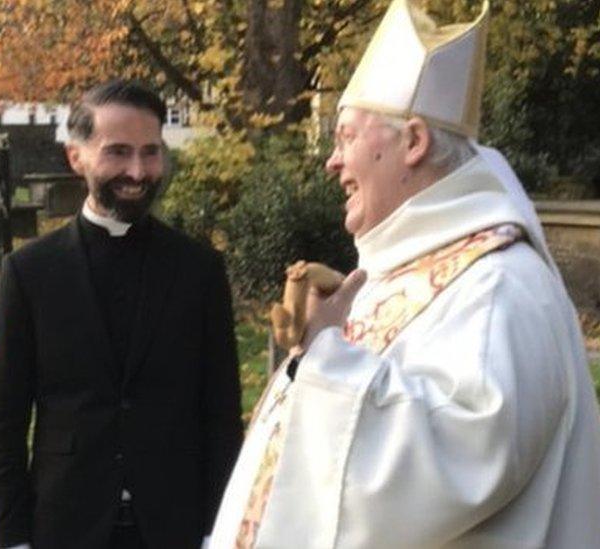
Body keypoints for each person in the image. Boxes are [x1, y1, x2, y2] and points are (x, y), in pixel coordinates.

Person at [210, 1, 600, 547]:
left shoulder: (497, 287)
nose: (331, 161)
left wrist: (326, 355)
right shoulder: (409, 265)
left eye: (345, 137)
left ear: (413, 142)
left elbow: (463, 462)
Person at [0, 80, 243, 549]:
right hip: (65, 523)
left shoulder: (199, 270)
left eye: (150, 152)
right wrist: (13, 538)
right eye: (118, 152)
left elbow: (221, 414)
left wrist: (215, 529)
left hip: (174, 524)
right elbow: (3, 422)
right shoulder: (30, 272)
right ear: (75, 157)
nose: (138, 171)